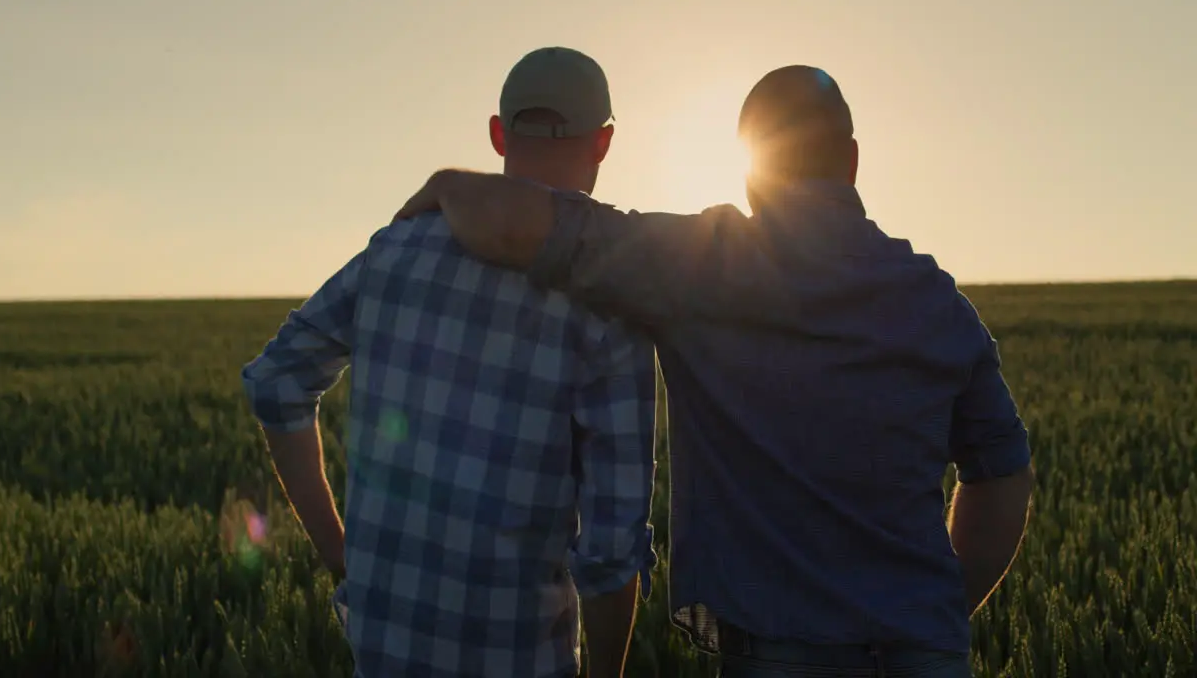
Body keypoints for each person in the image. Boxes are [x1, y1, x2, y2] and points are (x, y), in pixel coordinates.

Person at [393, 65, 1036, 677]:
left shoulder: (702, 266)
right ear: (854, 161)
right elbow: (1004, 476)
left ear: (750, 174)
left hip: (780, 655)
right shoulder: (938, 301)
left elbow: (529, 227)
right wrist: (932, 612)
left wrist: (454, 184)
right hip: (929, 653)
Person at [240, 47, 659, 678]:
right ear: (602, 144)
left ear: (496, 134)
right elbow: (608, 553)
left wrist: (340, 555)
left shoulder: (397, 246)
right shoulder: (609, 300)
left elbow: (276, 382)